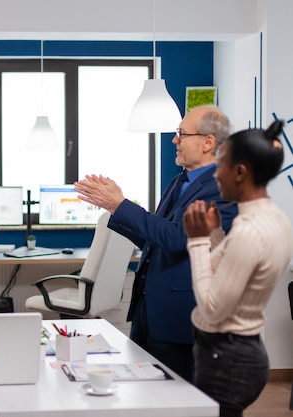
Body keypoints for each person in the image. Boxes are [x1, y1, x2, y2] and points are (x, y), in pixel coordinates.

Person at [73, 106, 238, 382]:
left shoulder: (223, 189)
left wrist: (119, 204)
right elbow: (156, 239)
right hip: (148, 313)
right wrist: (115, 209)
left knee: (179, 398)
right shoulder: (179, 182)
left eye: (181, 134)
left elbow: (177, 238)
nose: (175, 140)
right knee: (149, 393)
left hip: (181, 319)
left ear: (208, 142)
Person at [183, 120, 293, 417]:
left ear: (241, 172)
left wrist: (196, 242)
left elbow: (212, 307)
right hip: (242, 353)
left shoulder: (249, 231)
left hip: (226, 361)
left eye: (221, 164)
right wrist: (216, 234)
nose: (215, 173)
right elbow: (235, 271)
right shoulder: (276, 219)